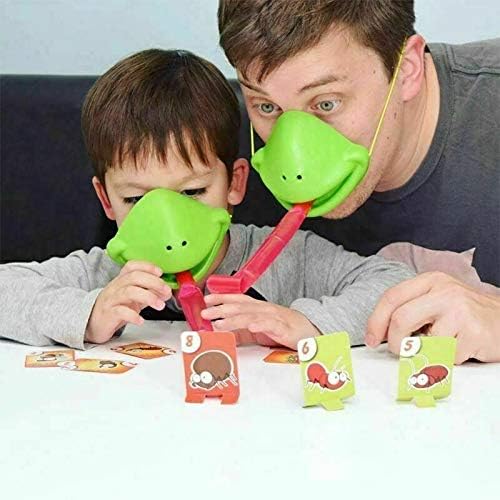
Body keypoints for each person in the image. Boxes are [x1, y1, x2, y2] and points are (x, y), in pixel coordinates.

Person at [0, 49, 413, 351]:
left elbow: (395, 283)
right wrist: (90, 313)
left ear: (234, 183)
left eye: (192, 192)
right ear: (106, 200)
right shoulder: (110, 273)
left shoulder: (292, 259)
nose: (170, 225)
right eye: (136, 199)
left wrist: (304, 323)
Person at [217, 0, 500, 363]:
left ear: (407, 69)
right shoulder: (212, 158)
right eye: (267, 106)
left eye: (326, 104)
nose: (295, 156)